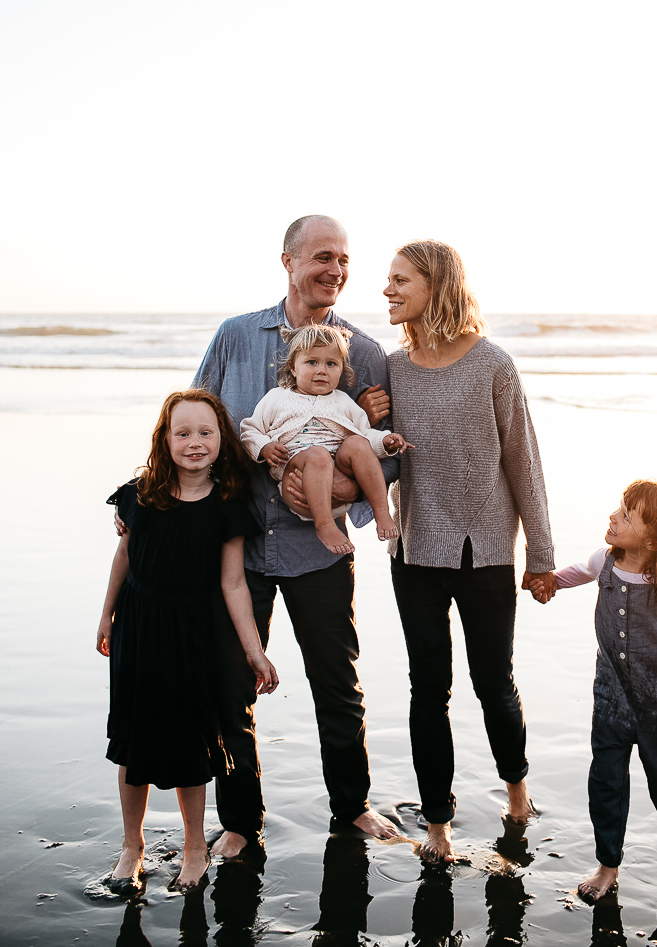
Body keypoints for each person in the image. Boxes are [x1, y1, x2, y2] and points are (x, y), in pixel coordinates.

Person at [190, 215, 401, 856]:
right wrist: (150, 499)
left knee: (338, 682)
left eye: (344, 259)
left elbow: (381, 455)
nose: (335, 270)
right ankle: (238, 821)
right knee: (230, 683)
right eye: (322, 257)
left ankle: (353, 807)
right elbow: (191, 419)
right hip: (239, 546)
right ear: (288, 259)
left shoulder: (362, 351)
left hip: (321, 547)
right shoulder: (235, 336)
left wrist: (334, 493)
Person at [383, 239, 557, 864]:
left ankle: (516, 793)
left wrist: (541, 552)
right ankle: (436, 825)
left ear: (437, 285)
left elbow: (524, 462)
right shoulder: (392, 370)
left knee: (493, 683)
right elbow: (374, 450)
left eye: (401, 279)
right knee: (427, 689)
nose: (388, 290)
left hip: (485, 554)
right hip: (415, 552)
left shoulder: (493, 365)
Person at [97, 390, 278, 894]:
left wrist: (254, 649)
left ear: (222, 438)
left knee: (192, 742)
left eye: (205, 433)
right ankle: (131, 846)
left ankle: (194, 845)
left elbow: (234, 583)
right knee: (132, 743)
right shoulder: (140, 494)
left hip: (193, 633)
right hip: (138, 627)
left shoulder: (228, 505)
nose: (194, 443)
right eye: (183, 433)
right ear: (165, 439)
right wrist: (106, 616)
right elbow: (123, 560)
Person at [529, 479, 657, 901]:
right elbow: (576, 573)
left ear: (653, 536)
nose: (613, 517)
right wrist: (550, 582)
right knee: (606, 780)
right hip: (611, 697)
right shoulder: (605, 560)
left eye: (625, 515)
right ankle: (607, 864)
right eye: (618, 509)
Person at [240, 324, 412, 554]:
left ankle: (381, 511)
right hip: (296, 480)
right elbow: (249, 430)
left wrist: (385, 441)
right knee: (318, 456)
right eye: (312, 362)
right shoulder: (277, 398)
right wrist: (264, 447)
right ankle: (325, 525)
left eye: (331, 364)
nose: (322, 370)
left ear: (341, 370)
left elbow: (366, 434)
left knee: (358, 443)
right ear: (293, 367)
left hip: (338, 475)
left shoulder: (343, 401)